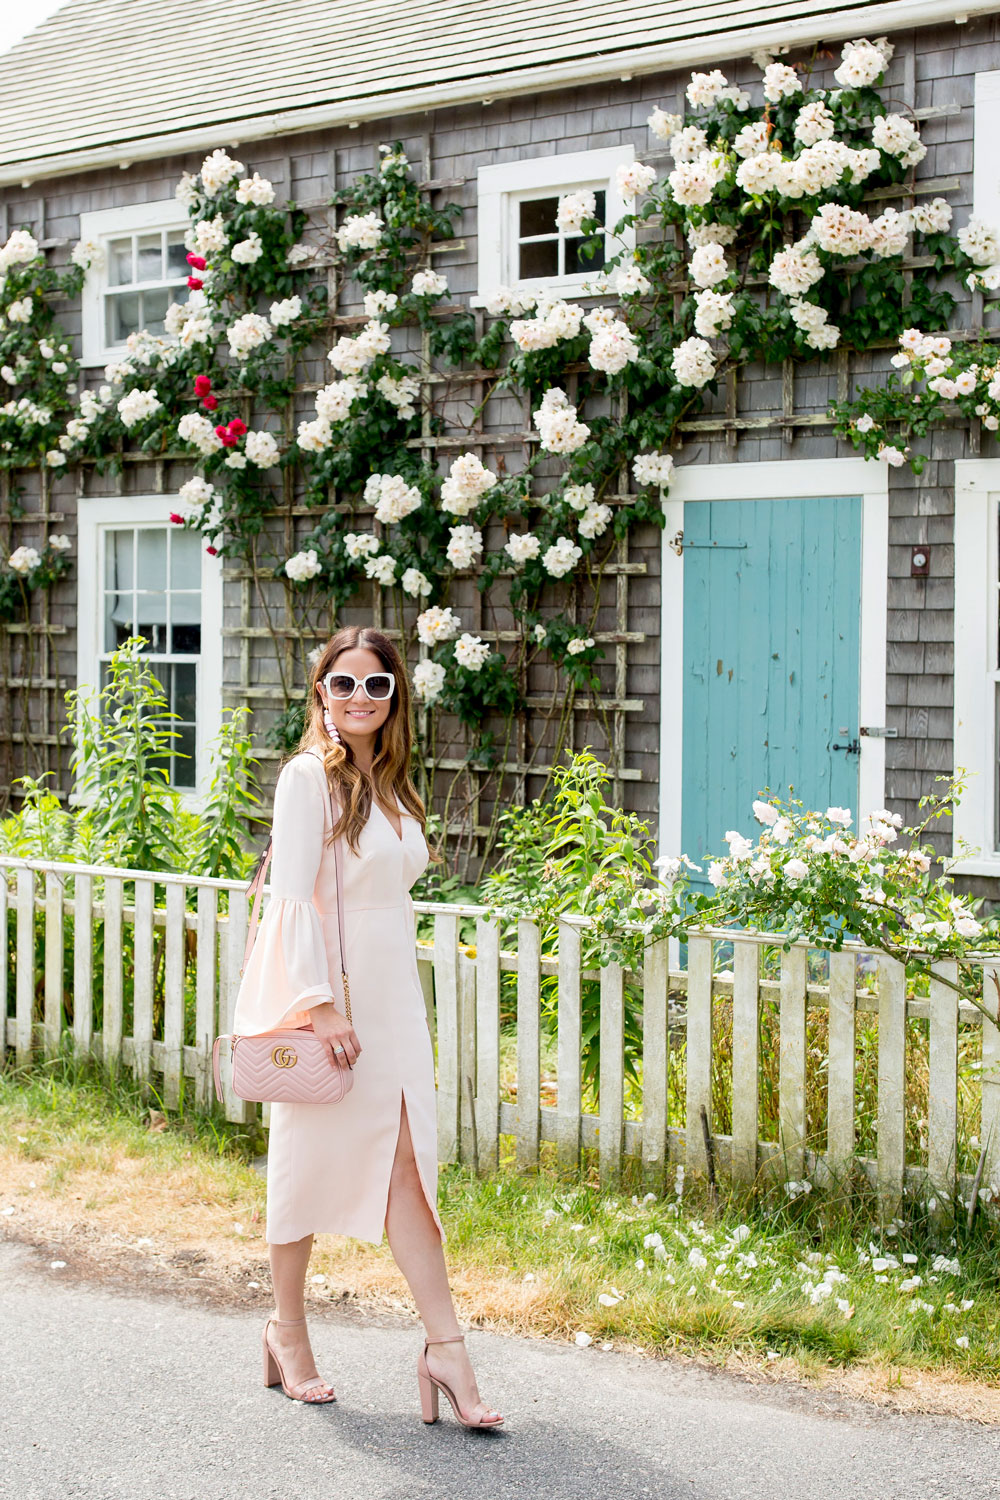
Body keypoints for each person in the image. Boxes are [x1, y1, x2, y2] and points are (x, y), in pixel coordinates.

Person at [232, 625, 503, 1428]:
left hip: (390, 1001)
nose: (358, 698)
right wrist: (319, 1005)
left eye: (375, 686)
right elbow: (292, 898)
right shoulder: (306, 777)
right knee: (304, 1164)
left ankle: (445, 1350)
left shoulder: (388, 783)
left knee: (409, 1167)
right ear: (320, 692)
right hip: (331, 1003)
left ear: (394, 700)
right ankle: (287, 1331)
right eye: (342, 683)